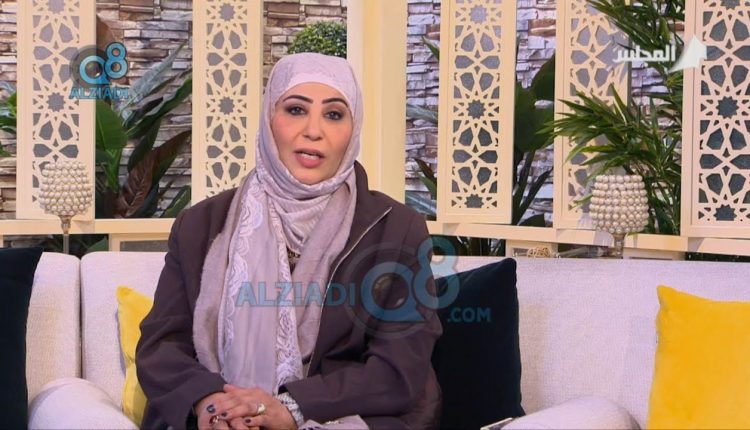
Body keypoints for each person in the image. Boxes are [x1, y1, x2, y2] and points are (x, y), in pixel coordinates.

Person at [135, 53, 442, 430]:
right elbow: (162, 347)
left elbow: (399, 367)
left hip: (336, 419)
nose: (313, 131)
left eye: (334, 114)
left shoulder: (396, 228)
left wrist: (294, 408)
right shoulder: (200, 224)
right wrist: (212, 404)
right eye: (296, 109)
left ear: (353, 129)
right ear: (269, 119)